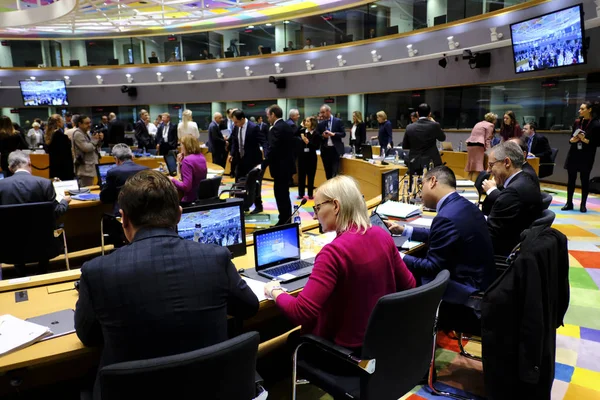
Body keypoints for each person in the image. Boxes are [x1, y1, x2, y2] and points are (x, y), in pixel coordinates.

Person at [75, 170, 259, 398]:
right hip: (209, 388)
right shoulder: (216, 257)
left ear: (123, 219)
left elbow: (88, 336)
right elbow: (249, 307)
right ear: (179, 215)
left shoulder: (95, 271)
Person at [264, 175, 415, 350]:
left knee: (291, 341)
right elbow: (409, 285)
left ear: (335, 206)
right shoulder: (382, 235)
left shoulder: (333, 252)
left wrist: (275, 291)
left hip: (344, 354)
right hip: (382, 343)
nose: (314, 216)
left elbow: (301, 312)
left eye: (317, 208)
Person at [385, 166, 495, 306]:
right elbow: (443, 235)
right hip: (482, 279)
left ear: (432, 181)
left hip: (466, 290)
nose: (420, 193)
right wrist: (405, 230)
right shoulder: (464, 205)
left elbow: (432, 267)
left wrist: (397, 255)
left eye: (421, 185)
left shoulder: (446, 217)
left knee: (401, 276)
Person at [0, 150, 71, 276]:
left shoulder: (1, 186)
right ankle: (42, 271)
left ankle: (20, 273)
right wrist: (64, 202)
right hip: (44, 245)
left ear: (10, 168)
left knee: (14, 233)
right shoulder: (44, 183)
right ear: (30, 164)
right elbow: (56, 213)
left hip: (9, 248)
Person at [485, 141, 542, 256]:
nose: (488, 170)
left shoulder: (512, 193)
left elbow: (490, 234)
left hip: (501, 252)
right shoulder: (525, 179)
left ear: (506, 162)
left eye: (491, 165)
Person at [563, 101, 600, 213]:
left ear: (589, 110)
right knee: (571, 180)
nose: (580, 110)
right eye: (580, 108)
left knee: (584, 180)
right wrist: (572, 140)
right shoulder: (577, 122)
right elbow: (571, 138)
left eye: (582, 109)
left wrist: (584, 140)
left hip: (586, 156)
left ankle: (583, 204)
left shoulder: (596, 124)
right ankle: (569, 202)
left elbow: (597, 142)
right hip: (574, 153)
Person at [229, 109, 267, 212]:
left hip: (253, 161)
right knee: (239, 183)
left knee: (254, 184)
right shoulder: (236, 128)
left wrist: (266, 155)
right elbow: (234, 142)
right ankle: (243, 206)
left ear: (242, 119)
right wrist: (232, 154)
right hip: (240, 160)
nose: (235, 124)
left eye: (236, 122)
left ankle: (258, 206)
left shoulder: (253, 127)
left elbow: (263, 141)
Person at [264, 104, 295, 225]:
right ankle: (286, 217)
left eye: (268, 116)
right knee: (284, 194)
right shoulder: (287, 126)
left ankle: (284, 219)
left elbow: (274, 149)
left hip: (280, 168)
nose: (268, 119)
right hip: (287, 166)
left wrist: (264, 164)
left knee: (280, 194)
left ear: (273, 114)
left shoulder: (276, 128)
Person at [100, 143, 148, 216]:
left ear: (116, 159)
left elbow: (105, 198)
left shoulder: (113, 172)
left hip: (123, 214)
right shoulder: (146, 170)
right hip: (145, 212)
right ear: (132, 157)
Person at [402, 103, 446, 175]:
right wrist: (434, 122)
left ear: (417, 113)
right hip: (431, 162)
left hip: (415, 162)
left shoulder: (409, 127)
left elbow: (405, 146)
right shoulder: (435, 125)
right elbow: (442, 138)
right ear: (429, 114)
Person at [169, 135, 207, 206]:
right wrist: (180, 163)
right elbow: (183, 178)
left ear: (186, 146)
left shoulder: (187, 161)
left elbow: (186, 187)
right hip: (200, 199)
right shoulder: (202, 156)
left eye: (181, 145)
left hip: (189, 201)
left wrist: (172, 179)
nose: (180, 148)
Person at [72, 115, 102, 187]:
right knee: (86, 189)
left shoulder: (87, 133)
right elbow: (86, 148)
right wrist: (95, 140)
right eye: (87, 123)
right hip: (84, 168)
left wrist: (99, 140)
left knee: (89, 187)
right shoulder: (78, 134)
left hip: (90, 166)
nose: (89, 125)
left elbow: (94, 147)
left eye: (90, 123)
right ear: (80, 124)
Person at [465, 112, 496, 181]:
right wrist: (490, 153)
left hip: (470, 145)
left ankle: (468, 187)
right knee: (477, 169)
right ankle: (474, 187)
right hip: (478, 146)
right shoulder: (490, 125)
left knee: (471, 169)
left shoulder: (479, 123)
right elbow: (487, 139)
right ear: (493, 120)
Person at [317, 104, 346, 180]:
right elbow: (317, 136)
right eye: (320, 113)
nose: (321, 115)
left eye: (323, 112)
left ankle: (334, 190)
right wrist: (323, 136)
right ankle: (329, 190)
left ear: (328, 111)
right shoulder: (320, 124)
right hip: (325, 150)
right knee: (328, 173)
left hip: (335, 150)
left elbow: (343, 134)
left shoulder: (338, 121)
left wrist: (333, 134)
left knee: (334, 172)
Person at [44, 114, 74, 181]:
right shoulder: (60, 136)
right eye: (62, 120)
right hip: (64, 168)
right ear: (58, 122)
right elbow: (66, 153)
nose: (63, 122)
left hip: (53, 166)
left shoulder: (48, 135)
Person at [297, 116, 320, 199]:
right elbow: (294, 133)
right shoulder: (302, 131)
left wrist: (308, 142)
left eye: (307, 121)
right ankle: (301, 193)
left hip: (311, 157)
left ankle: (310, 193)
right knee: (301, 176)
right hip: (302, 157)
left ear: (312, 123)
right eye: (305, 121)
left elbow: (316, 146)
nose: (305, 122)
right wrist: (300, 126)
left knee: (311, 176)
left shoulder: (316, 133)